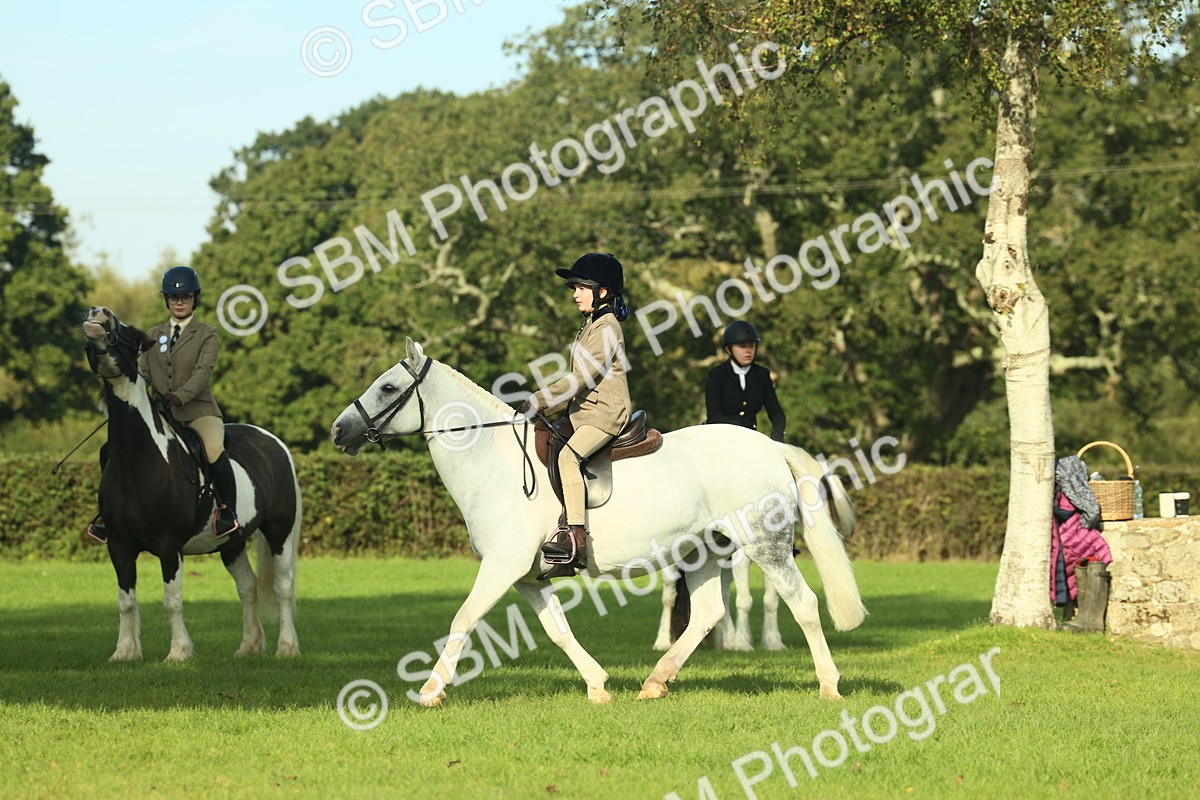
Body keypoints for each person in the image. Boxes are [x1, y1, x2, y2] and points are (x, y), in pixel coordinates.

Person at [87, 266, 239, 542]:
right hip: (159, 413)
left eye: (186, 297)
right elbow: (142, 372)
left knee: (214, 448)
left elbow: (202, 373)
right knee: (112, 449)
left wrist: (180, 396)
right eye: (173, 298)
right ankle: (109, 515)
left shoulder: (207, 334)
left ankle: (228, 510)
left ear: (195, 299)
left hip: (197, 412)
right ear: (166, 300)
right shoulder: (153, 335)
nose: (179, 303)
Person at [518, 253, 632, 576]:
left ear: (603, 292)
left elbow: (579, 379)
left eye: (582, 287)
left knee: (568, 458)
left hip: (606, 414)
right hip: (585, 412)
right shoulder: (592, 324)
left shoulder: (606, 328)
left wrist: (539, 401)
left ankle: (575, 541)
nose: (575, 293)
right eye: (575, 287)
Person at [705, 320, 786, 442]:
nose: (748, 351)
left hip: (750, 438)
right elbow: (714, 415)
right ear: (728, 349)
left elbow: (776, 413)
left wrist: (777, 435)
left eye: (752, 346)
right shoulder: (716, 375)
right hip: (720, 437)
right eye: (742, 347)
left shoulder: (762, 375)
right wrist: (742, 432)